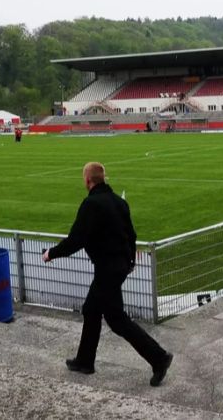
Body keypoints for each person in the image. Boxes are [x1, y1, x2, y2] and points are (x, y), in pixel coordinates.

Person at [42, 163, 173, 387]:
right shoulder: (119, 202)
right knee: (96, 312)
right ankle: (85, 361)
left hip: (107, 269)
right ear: (103, 178)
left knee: (116, 319)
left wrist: (51, 254)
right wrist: (130, 261)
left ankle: (159, 358)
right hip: (118, 267)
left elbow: (76, 239)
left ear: (87, 181)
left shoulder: (91, 204)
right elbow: (131, 235)